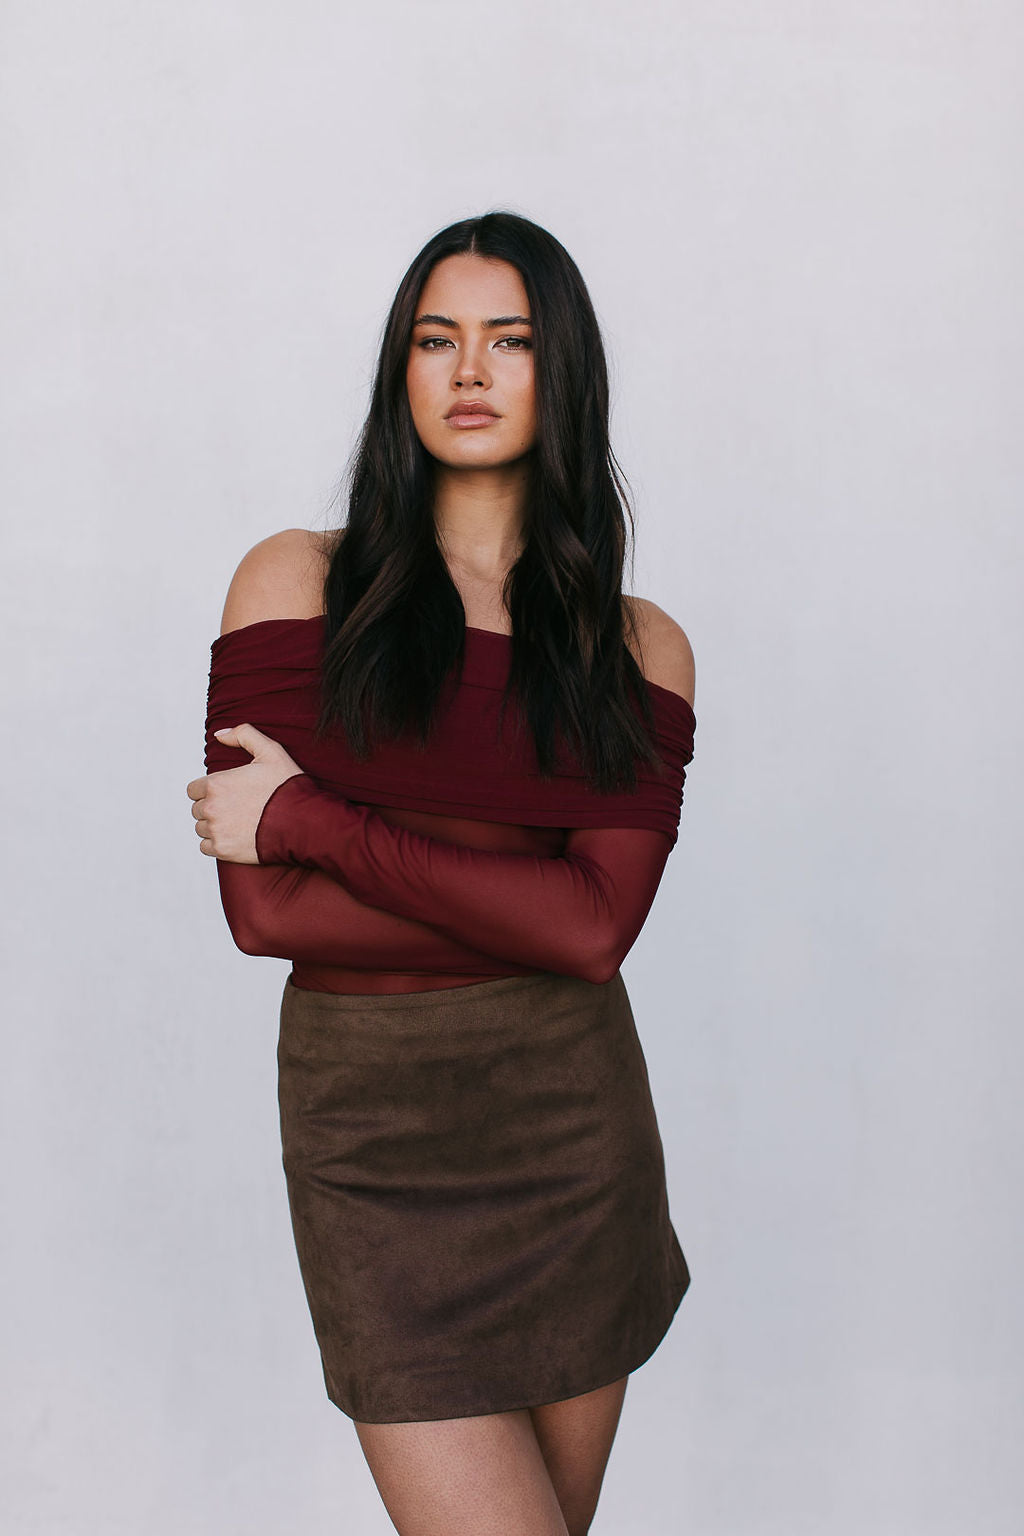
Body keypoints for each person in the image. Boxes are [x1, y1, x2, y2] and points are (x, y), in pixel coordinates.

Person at [186, 210, 697, 1536]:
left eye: (511, 340)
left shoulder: (636, 648)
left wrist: (314, 818)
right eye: (437, 339)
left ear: (562, 374)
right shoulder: (294, 583)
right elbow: (264, 914)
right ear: (399, 373)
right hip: (373, 1142)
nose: (470, 370)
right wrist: (505, 895)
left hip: (570, 1135)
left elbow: (592, 935)